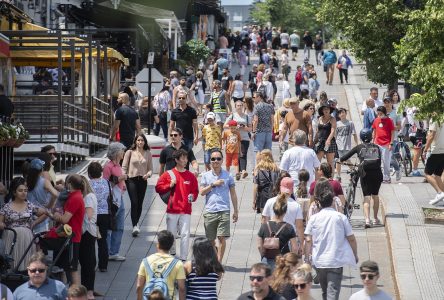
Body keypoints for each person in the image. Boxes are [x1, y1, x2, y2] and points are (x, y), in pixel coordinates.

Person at [304, 179, 358, 300]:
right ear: (332, 201)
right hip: (335, 260)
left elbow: (308, 240)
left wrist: (307, 258)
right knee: (332, 293)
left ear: (320, 202)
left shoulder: (314, 218)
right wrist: (355, 254)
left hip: (319, 261)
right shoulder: (340, 217)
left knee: (325, 293)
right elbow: (351, 238)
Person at [42, 174, 86, 285]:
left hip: (70, 238)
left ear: (70, 184)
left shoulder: (75, 198)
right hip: (66, 237)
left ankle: (77, 294)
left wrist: (54, 215)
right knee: (64, 267)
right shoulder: (75, 196)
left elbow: (65, 219)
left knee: (72, 268)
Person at [155, 149, 199, 261]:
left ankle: (183, 258)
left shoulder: (191, 176)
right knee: (171, 234)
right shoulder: (168, 174)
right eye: (183, 158)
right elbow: (158, 187)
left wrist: (192, 197)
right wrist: (169, 185)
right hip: (172, 209)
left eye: (186, 158)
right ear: (176, 160)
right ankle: (172, 253)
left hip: (186, 210)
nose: (185, 160)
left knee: (185, 234)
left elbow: (195, 191)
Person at [200, 149, 239, 262]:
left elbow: (233, 194)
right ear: (210, 161)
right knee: (211, 240)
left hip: (224, 210)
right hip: (210, 210)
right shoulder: (206, 176)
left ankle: (219, 262)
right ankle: (214, 256)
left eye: (218, 159)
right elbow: (202, 192)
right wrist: (213, 185)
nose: (215, 161)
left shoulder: (228, 176)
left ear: (222, 160)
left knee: (222, 237)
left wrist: (236, 211)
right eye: (213, 159)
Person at [0, 177, 47, 271]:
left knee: (27, 266)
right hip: (11, 238)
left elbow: (46, 213)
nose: (24, 193)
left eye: (25, 190)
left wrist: (34, 223)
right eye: (20, 190)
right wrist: (1, 224)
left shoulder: (30, 205)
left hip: (27, 238)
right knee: (11, 265)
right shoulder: (6, 207)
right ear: (14, 192)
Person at [340, 128, 383, 228]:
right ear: (371, 137)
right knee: (375, 196)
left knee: (366, 197)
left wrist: (340, 160)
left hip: (365, 174)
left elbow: (345, 157)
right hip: (377, 174)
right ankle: (375, 218)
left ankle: (367, 220)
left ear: (361, 137)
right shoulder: (376, 147)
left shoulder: (359, 147)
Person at [136, 230, 186, 300]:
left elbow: (139, 286)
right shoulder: (178, 264)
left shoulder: (146, 261)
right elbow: (182, 288)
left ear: (158, 244)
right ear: (171, 245)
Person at [261, 176, 304, 250]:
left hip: (272, 238)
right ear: (292, 189)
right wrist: (301, 245)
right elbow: (299, 227)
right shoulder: (296, 205)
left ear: (280, 187)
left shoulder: (270, 201)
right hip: (290, 240)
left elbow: (264, 221)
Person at [122, 134, 153, 236]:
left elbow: (150, 169)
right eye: (138, 140)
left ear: (145, 142)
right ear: (135, 141)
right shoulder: (129, 152)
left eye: (142, 140)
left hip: (142, 180)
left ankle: (136, 224)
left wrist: (148, 174)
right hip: (131, 180)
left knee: (140, 204)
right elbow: (124, 167)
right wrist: (123, 178)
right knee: (134, 202)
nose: (140, 142)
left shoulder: (148, 153)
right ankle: (134, 225)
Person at [257, 194, 297, 269]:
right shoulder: (289, 227)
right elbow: (294, 248)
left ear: (273, 210)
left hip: (267, 260)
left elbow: (259, 246)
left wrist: (263, 256)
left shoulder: (264, 226)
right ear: (285, 212)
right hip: (283, 260)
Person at [103, 142, 127, 261]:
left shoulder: (118, 166)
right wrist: (121, 179)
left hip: (119, 197)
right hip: (111, 200)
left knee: (120, 225)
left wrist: (123, 185)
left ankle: (114, 252)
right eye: (122, 150)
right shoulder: (108, 167)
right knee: (110, 225)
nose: (123, 153)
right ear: (117, 152)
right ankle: (107, 252)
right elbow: (106, 184)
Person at [88, 162, 111, 272]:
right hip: (104, 214)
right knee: (103, 240)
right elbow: (108, 196)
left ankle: (91, 264)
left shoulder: (88, 184)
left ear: (89, 173)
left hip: (92, 214)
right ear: (101, 172)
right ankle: (103, 265)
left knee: (91, 240)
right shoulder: (106, 182)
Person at [26, 158, 59, 234]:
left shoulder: (26, 182)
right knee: (41, 242)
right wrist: (49, 205)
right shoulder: (44, 182)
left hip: (29, 215)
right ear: (41, 170)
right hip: (42, 217)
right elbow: (55, 194)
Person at [78, 176, 98, 300]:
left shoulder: (88, 197)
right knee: (86, 261)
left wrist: (79, 229)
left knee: (88, 262)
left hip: (87, 232)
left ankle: (89, 290)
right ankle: (87, 289)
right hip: (86, 232)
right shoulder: (88, 196)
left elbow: (88, 216)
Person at [224, 100, 252, 179]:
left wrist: (244, 127)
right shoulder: (232, 115)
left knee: (243, 153)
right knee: (237, 155)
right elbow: (225, 126)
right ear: (235, 107)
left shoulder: (246, 116)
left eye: (241, 105)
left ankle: (242, 171)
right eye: (238, 105)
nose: (239, 107)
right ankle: (239, 171)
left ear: (243, 106)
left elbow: (250, 128)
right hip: (234, 138)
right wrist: (235, 127)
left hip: (245, 137)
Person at [372, 106, 395, 183]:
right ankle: (378, 176)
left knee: (386, 161)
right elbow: (374, 131)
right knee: (376, 161)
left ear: (384, 113)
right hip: (377, 143)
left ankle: (387, 177)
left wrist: (391, 143)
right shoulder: (376, 120)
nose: (379, 115)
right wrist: (373, 141)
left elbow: (392, 132)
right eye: (378, 113)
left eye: (381, 113)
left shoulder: (389, 120)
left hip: (386, 144)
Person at [423, 121, 444, 205]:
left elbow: (431, 135)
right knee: (437, 175)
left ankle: (439, 193)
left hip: (435, 151)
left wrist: (425, 149)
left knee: (426, 173)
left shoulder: (434, 120)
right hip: (443, 151)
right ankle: (442, 195)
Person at [335, 108, 358, 181]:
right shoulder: (337, 123)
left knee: (347, 160)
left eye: (343, 112)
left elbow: (354, 134)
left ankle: (353, 170)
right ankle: (338, 175)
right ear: (338, 115)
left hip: (347, 145)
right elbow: (335, 135)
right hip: (338, 145)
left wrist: (357, 143)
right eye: (340, 113)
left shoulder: (350, 123)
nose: (342, 114)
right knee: (338, 160)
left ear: (345, 113)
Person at [315, 103, 338, 177]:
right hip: (320, 141)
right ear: (322, 110)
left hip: (330, 142)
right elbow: (317, 131)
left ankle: (331, 179)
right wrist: (314, 140)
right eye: (324, 109)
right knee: (317, 161)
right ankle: (317, 178)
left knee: (330, 162)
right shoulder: (320, 118)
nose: (326, 110)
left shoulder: (332, 119)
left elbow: (333, 131)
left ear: (330, 110)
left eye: (327, 109)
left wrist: (328, 140)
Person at [383, 97, 402, 181]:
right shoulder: (381, 114)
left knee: (391, 157)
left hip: (393, 138)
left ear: (391, 103)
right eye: (385, 102)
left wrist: (391, 127)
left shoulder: (396, 113)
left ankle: (398, 169)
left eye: (388, 102)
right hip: (383, 138)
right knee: (384, 158)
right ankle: (386, 176)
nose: (386, 104)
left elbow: (399, 126)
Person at [252, 91, 275, 157]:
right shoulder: (270, 106)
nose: (253, 99)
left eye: (254, 97)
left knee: (258, 152)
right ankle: (267, 166)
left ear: (259, 97)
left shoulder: (257, 107)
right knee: (267, 152)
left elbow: (255, 120)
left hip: (259, 132)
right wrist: (270, 130)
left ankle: (259, 167)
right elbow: (272, 120)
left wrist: (253, 132)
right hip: (268, 132)